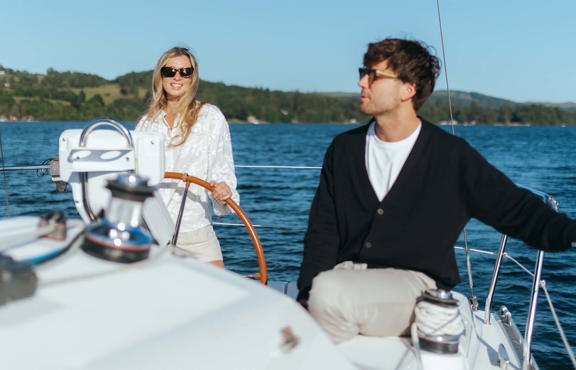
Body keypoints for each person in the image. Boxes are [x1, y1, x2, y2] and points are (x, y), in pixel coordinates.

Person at [296, 38, 576, 343]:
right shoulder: (345, 149)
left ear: (408, 89)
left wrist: (570, 232)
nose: (362, 81)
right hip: (346, 277)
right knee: (305, 302)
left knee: (329, 295)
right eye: (364, 72)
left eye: (374, 75)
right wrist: (305, 295)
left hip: (413, 288)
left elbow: (516, 209)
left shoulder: (450, 156)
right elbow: (323, 230)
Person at [135, 47, 238, 268]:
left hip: (194, 228)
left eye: (185, 71)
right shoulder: (147, 123)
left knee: (215, 293)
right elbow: (137, 174)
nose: (177, 77)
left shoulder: (209, 116)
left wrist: (222, 190)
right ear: (160, 76)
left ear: (193, 77)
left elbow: (222, 167)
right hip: (152, 228)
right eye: (170, 71)